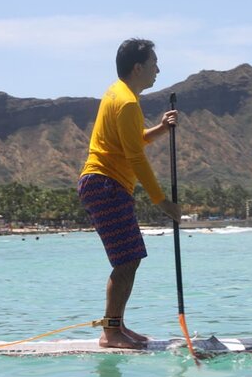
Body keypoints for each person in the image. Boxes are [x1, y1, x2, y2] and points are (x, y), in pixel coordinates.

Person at [77, 38, 181, 349]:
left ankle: (116, 326)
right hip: (105, 184)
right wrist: (162, 202)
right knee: (127, 259)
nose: (158, 70)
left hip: (104, 184)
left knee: (129, 258)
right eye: (153, 64)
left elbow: (131, 144)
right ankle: (110, 333)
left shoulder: (118, 93)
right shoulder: (126, 102)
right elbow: (136, 158)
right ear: (138, 67)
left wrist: (161, 128)